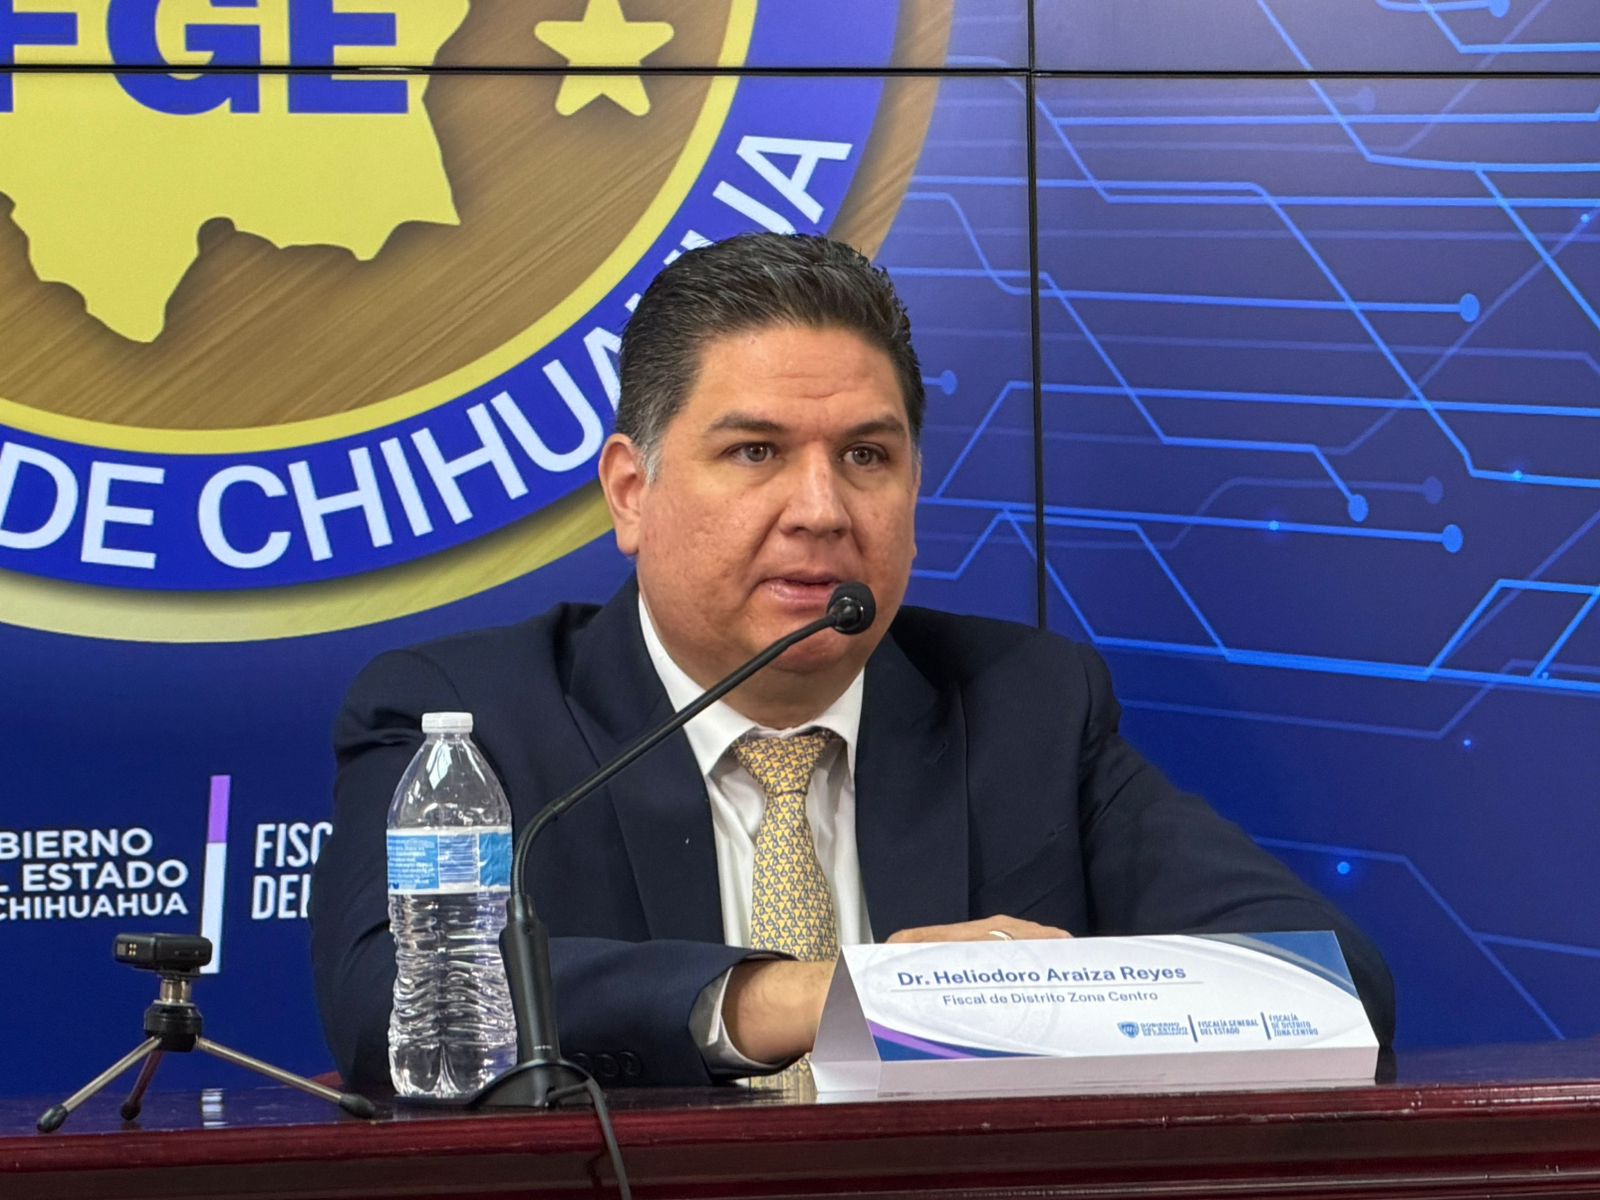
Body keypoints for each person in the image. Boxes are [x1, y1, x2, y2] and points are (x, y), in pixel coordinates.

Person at [310, 233, 1394, 1090]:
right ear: (632, 493)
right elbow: (395, 1000)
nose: (821, 511)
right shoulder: (470, 721)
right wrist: (817, 998)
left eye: (866, 455)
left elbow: (1334, 986)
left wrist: (1038, 1001)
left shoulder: (1023, 705)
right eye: (756, 452)